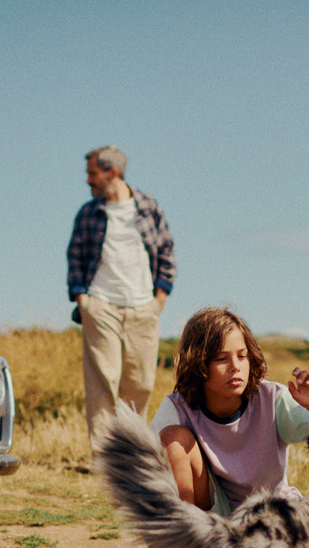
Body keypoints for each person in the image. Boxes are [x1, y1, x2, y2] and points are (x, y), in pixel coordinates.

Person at [133, 307, 309, 548]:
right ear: (200, 365)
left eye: (242, 356)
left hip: (272, 520)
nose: (235, 367)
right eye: (221, 358)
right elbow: (145, 495)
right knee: (173, 441)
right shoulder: (178, 408)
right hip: (212, 524)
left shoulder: (272, 399)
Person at [67, 145, 175, 454]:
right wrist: (82, 299)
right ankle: (103, 458)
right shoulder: (88, 213)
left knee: (139, 383)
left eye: (92, 173)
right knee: (103, 383)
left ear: (112, 172)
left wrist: (160, 299)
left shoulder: (148, 207)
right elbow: (74, 256)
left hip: (144, 308)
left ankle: (128, 455)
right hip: (101, 305)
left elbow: (167, 250)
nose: (88, 180)